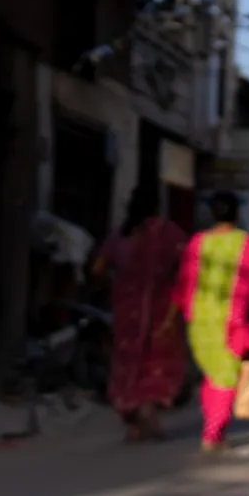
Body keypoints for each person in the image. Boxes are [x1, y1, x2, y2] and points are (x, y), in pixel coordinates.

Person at [172, 191, 249, 452]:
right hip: (232, 321)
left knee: (212, 374)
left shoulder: (196, 243)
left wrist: (170, 317)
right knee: (225, 375)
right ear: (237, 214)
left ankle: (214, 428)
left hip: (199, 320)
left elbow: (183, 282)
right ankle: (212, 434)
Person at [90, 184, 188, 441]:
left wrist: (119, 281)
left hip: (126, 310)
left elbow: (97, 269)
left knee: (126, 360)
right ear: (157, 206)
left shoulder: (119, 236)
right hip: (160, 309)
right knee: (156, 361)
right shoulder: (168, 233)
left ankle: (133, 422)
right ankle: (148, 410)